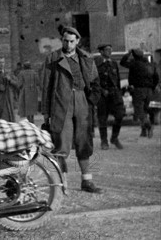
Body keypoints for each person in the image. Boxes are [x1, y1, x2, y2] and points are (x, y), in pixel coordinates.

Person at [41, 26, 102, 193]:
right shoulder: (52, 58)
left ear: (78, 41)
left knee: (84, 141)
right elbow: (46, 86)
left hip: (82, 101)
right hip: (61, 103)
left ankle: (87, 181)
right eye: (65, 41)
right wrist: (46, 111)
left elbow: (96, 83)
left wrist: (90, 101)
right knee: (61, 142)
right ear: (62, 40)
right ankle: (62, 183)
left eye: (71, 41)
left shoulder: (87, 59)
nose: (68, 44)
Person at [120, 49, 159, 137]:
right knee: (145, 110)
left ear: (134, 56)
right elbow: (156, 78)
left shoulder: (134, 64)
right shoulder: (150, 65)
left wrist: (128, 53)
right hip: (149, 90)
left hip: (138, 90)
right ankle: (143, 131)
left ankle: (148, 124)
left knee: (139, 110)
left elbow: (122, 62)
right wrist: (152, 87)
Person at [95, 44, 125, 149]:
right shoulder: (96, 64)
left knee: (120, 115)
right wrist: (101, 91)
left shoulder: (114, 64)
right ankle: (104, 141)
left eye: (110, 50)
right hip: (102, 96)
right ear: (101, 52)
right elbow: (93, 81)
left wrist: (119, 92)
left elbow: (117, 80)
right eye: (107, 50)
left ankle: (114, 137)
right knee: (102, 118)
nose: (109, 52)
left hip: (115, 94)